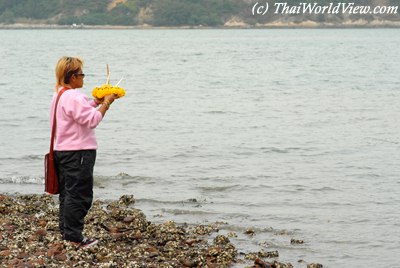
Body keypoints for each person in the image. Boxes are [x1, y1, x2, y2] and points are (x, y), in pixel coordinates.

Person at [50, 56, 117, 248]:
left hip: (62, 150)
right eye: (81, 74)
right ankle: (74, 236)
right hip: (78, 152)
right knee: (79, 195)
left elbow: (77, 113)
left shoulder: (59, 95)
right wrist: (106, 104)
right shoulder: (74, 96)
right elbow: (92, 120)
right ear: (72, 77)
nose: (83, 77)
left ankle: (66, 230)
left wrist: (95, 102)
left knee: (67, 193)